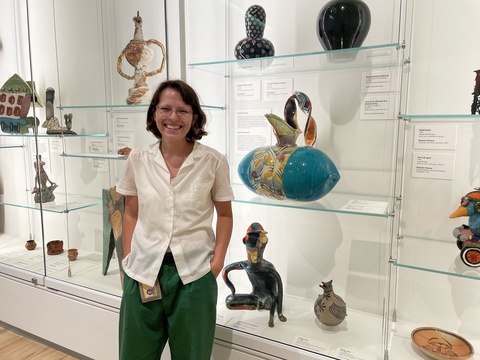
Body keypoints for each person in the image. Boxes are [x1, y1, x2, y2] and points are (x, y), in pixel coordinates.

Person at [116, 79, 234, 359]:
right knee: (135, 355)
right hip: (143, 272)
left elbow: (225, 215)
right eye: (165, 109)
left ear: (194, 116)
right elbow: (131, 211)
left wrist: (215, 265)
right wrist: (129, 256)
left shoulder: (213, 162)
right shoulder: (138, 159)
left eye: (182, 110)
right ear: (154, 113)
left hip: (194, 274)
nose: (173, 118)